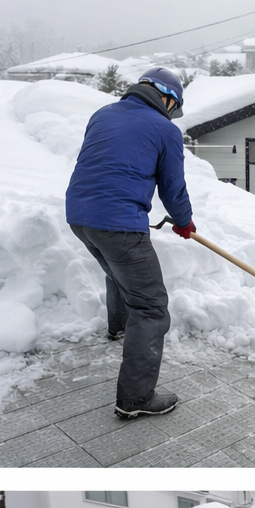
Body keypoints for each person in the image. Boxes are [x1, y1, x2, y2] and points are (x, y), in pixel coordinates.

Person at [65, 66, 196, 420]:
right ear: (166, 97)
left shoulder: (103, 114)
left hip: (79, 216)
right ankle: (136, 399)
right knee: (151, 307)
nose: (172, 114)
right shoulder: (164, 129)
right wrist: (184, 221)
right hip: (119, 223)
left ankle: (119, 328)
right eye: (174, 106)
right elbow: (172, 187)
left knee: (118, 273)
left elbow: (104, 163)